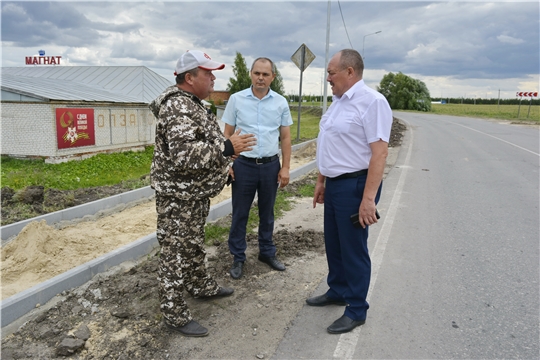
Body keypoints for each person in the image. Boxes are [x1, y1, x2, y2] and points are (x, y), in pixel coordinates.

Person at [150, 50, 256, 337]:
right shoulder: (177, 108)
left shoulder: (193, 104)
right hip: (177, 198)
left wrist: (223, 166)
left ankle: (200, 285)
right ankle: (173, 313)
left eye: (213, 73)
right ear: (189, 77)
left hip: (192, 195)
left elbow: (205, 145)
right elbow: (184, 156)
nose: (213, 78)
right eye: (208, 73)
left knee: (194, 244)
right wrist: (227, 149)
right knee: (175, 254)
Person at [306, 49, 392, 334]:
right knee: (335, 243)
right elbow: (329, 145)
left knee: (353, 248)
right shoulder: (338, 102)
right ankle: (339, 289)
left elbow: (379, 154)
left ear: (350, 72)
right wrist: (321, 181)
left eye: (331, 73)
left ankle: (356, 309)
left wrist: (368, 199)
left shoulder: (372, 103)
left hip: (356, 186)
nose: (327, 78)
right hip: (334, 184)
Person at [222, 57, 293, 279]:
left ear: (273, 77)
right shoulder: (236, 99)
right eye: (257, 73)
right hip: (244, 166)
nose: (260, 78)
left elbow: (286, 137)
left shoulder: (280, 102)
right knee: (240, 213)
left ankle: (266, 252)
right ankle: (238, 257)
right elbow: (226, 134)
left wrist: (286, 168)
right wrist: (227, 164)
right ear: (251, 74)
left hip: (271, 166)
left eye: (265, 74)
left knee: (267, 212)